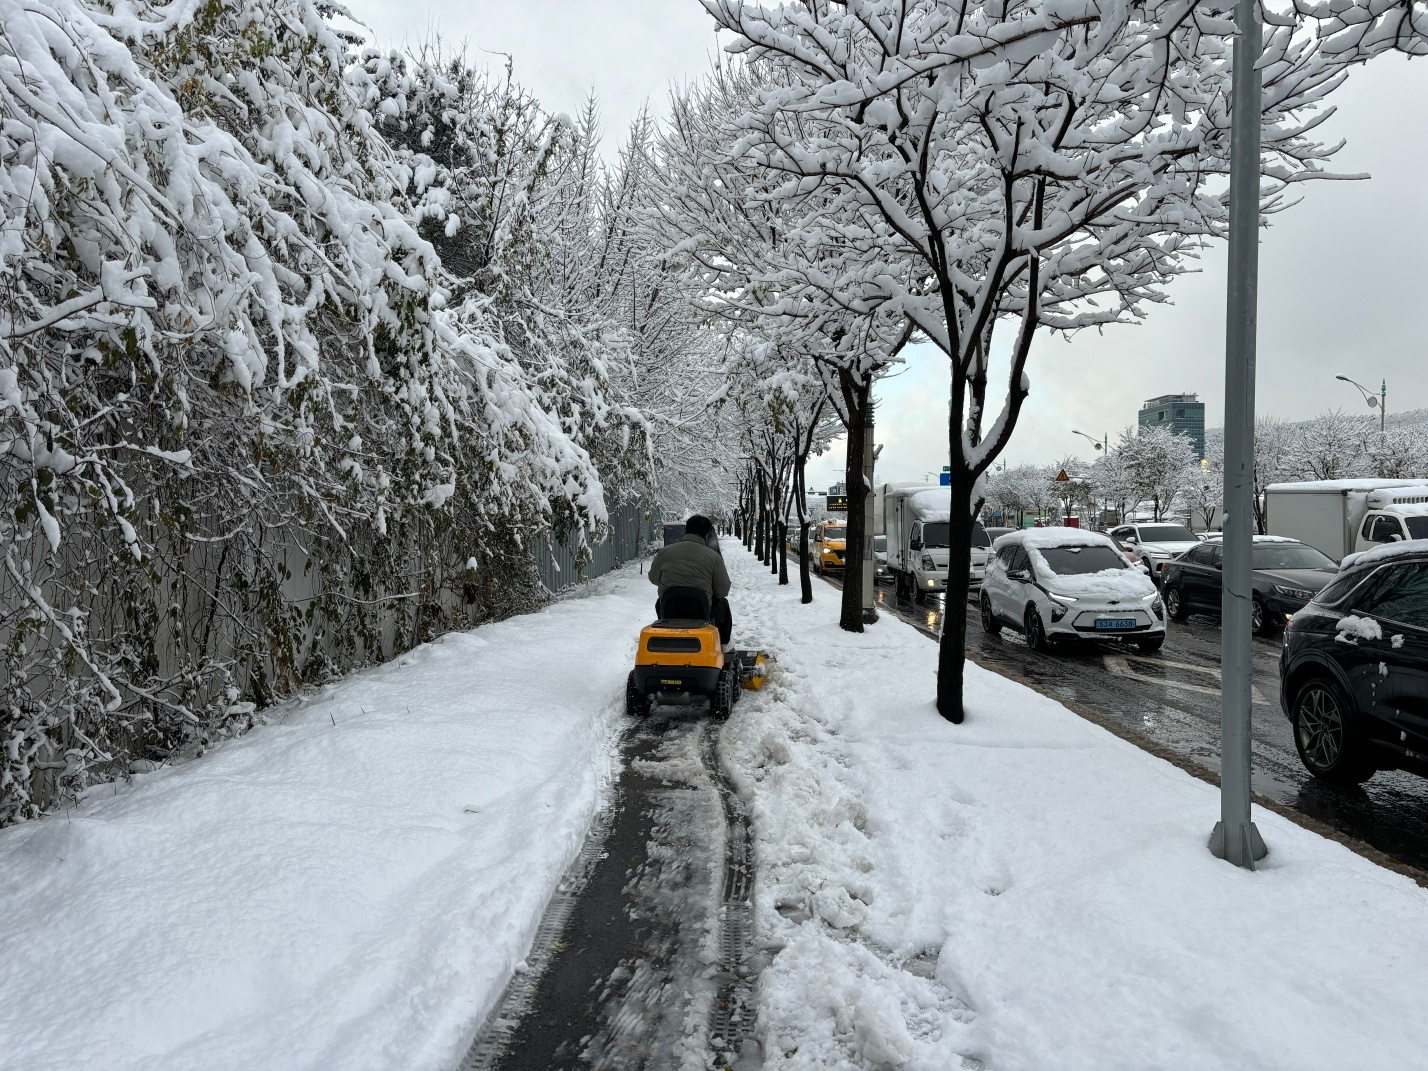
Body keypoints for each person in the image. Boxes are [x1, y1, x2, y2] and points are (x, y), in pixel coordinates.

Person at [649, 514, 733, 644]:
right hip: (702, 611)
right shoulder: (713, 557)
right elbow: (722, 591)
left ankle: (667, 634)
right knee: (723, 605)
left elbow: (654, 578)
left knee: (658, 603)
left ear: (686, 531)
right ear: (706, 535)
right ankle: (723, 645)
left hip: (670, 609)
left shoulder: (665, 552)